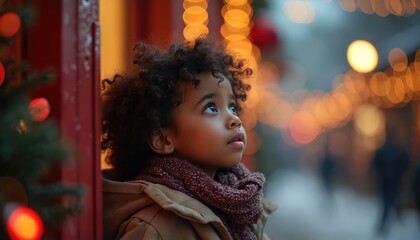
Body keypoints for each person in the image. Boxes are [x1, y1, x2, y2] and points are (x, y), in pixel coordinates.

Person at [101, 37, 276, 240]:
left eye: (232, 107)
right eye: (211, 108)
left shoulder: (239, 208)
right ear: (163, 140)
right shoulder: (155, 227)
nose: (234, 119)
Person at [371, 125, 410, 235]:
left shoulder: (385, 149)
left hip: (388, 182)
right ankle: (388, 225)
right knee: (389, 203)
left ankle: (386, 225)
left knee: (388, 203)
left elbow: (375, 164)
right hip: (391, 182)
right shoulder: (398, 149)